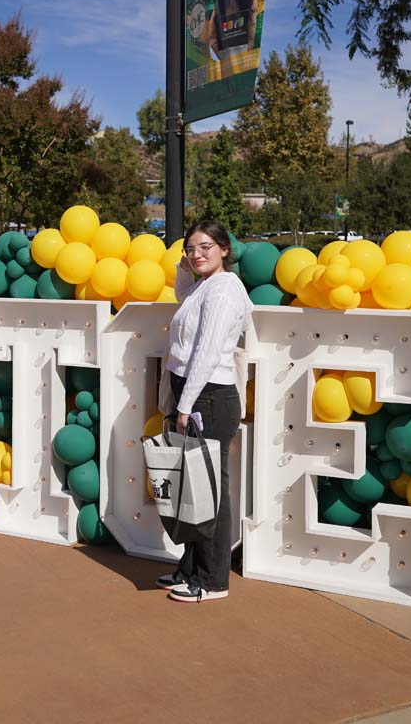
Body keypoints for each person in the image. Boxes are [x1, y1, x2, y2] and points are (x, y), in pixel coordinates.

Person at [157, 220, 253, 602]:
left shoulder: (226, 290)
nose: (197, 255)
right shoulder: (203, 286)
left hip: (209, 397)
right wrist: (184, 266)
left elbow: (208, 351)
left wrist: (185, 404)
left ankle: (213, 580)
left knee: (211, 491)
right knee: (193, 488)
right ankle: (190, 568)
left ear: (225, 249)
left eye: (206, 247)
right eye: (190, 249)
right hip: (196, 394)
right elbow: (184, 295)